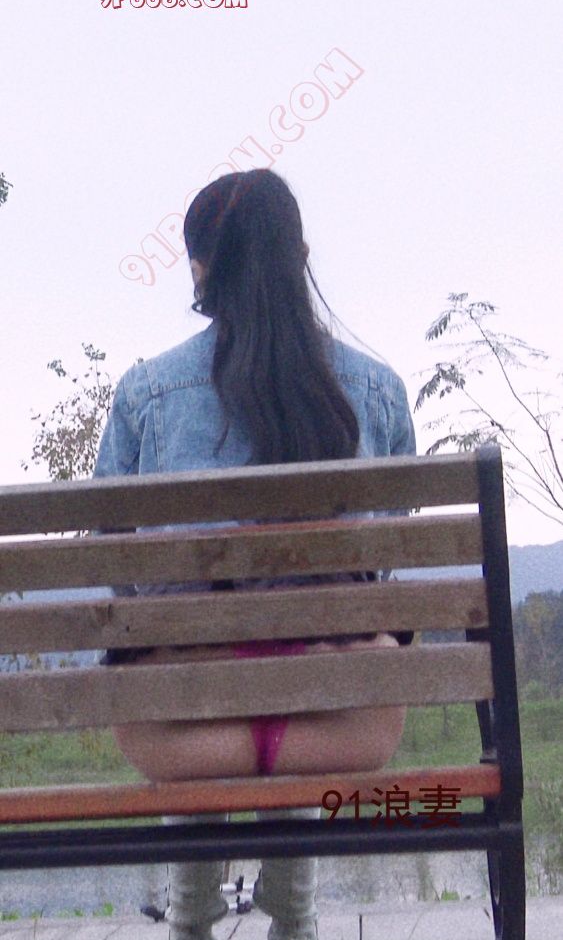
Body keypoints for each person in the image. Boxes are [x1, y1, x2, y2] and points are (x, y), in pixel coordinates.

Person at [93, 168, 416, 940]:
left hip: (179, 735)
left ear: (200, 268)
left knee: (176, 663)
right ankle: (294, 911)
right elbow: (387, 551)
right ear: (298, 256)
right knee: (319, 651)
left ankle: (191, 916)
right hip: (346, 723)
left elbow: (115, 559)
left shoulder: (145, 395)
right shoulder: (377, 391)